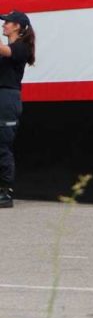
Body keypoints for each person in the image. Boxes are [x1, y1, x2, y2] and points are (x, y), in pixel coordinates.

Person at [0, 11, 35, 209]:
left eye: (8, 22)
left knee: (2, 145)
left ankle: (6, 192)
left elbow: (5, 51)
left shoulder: (22, 48)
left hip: (8, 99)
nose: (4, 25)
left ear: (18, 27)